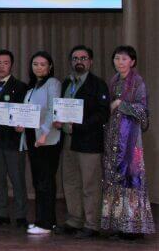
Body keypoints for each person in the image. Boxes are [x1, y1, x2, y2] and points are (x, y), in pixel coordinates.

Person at [54, 45, 110, 238]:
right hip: (68, 141)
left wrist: (79, 126)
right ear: (71, 62)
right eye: (75, 58)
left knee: (90, 185)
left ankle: (92, 224)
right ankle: (74, 220)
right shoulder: (66, 83)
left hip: (89, 143)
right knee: (71, 182)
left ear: (91, 62)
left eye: (83, 58)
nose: (79, 61)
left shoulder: (98, 84)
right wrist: (58, 121)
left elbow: (103, 114)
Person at [101, 46, 154, 239]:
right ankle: (118, 225)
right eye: (117, 58)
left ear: (132, 61)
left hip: (131, 139)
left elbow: (143, 110)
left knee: (131, 178)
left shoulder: (138, 82)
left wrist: (120, 104)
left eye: (124, 59)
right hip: (113, 137)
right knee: (114, 178)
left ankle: (134, 227)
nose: (120, 62)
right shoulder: (113, 81)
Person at [0, 50, 29, 228]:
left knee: (17, 179)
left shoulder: (21, 87)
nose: (1, 66)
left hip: (12, 141)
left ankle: (21, 215)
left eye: (6, 63)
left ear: (11, 65)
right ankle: (1, 213)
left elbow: (21, 115)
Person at [19, 51, 62, 235]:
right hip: (32, 137)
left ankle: (44, 224)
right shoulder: (32, 87)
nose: (38, 67)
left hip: (47, 139)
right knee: (39, 181)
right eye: (35, 64)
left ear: (50, 66)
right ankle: (46, 220)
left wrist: (44, 133)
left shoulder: (53, 83)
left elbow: (53, 109)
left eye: (43, 64)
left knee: (45, 181)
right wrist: (20, 125)